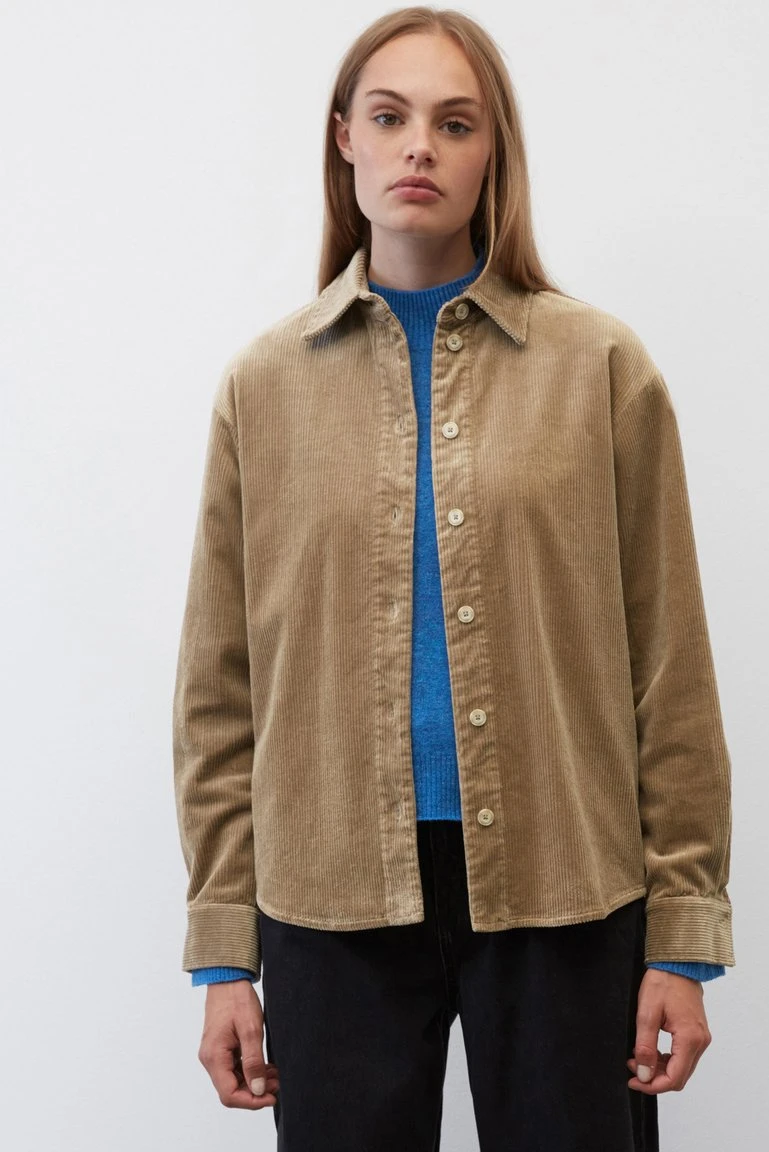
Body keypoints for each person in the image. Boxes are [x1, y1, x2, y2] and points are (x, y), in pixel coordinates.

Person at [172, 7, 735, 1150]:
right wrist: (224, 952)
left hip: (566, 889)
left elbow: (668, 662)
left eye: (454, 122)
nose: (418, 146)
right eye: (388, 117)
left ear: (492, 153)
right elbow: (218, 691)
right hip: (328, 896)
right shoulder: (261, 389)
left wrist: (681, 933)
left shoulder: (600, 369)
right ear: (344, 138)